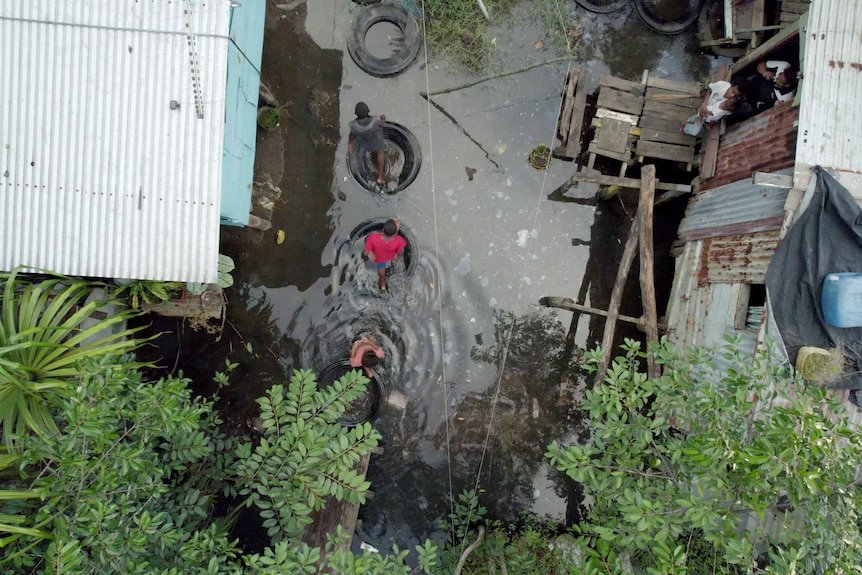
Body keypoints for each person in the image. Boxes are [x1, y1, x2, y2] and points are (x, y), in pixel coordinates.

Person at [680, 77, 749, 137]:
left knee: (702, 121)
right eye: (732, 91)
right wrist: (704, 104)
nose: (732, 95)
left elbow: (724, 114)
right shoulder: (722, 85)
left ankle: (696, 121)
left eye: (735, 95)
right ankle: (685, 126)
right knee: (694, 131)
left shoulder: (731, 104)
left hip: (709, 115)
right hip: (704, 110)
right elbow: (710, 89)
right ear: (731, 85)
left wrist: (713, 121)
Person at [348, 101, 387, 191]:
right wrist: (383, 118)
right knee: (381, 153)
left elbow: (352, 135)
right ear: (368, 111)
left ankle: (366, 174)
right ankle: (380, 177)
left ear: (356, 114)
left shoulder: (354, 126)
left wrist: (350, 144)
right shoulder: (374, 121)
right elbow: (382, 124)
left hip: (365, 144)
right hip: (377, 142)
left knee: (360, 155)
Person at [364, 218, 406, 291]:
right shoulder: (399, 240)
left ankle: (382, 283)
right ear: (394, 233)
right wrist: (399, 257)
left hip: (380, 258)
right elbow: (400, 252)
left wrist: (370, 253)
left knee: (381, 269)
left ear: (383, 230)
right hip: (391, 256)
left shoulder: (373, 237)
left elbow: (366, 251)